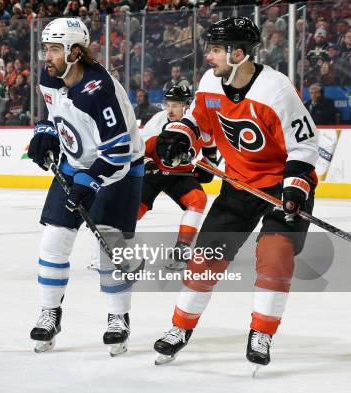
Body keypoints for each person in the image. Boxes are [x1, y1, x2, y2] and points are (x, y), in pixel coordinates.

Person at [151, 17, 319, 371]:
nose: (208, 57)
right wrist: (182, 135)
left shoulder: (276, 91)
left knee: (274, 258)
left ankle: (262, 333)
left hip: (282, 186)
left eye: (215, 50)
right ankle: (179, 328)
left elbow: (304, 146)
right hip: (239, 184)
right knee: (204, 259)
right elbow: (197, 120)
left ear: (238, 54)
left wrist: (295, 186)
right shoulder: (210, 82)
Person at [27, 18, 144, 356]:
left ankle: (117, 318)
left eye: (53, 49)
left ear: (75, 52)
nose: (46, 56)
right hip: (74, 162)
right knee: (54, 239)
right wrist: (44, 129)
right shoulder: (52, 74)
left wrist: (90, 183)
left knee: (108, 247)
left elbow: (118, 153)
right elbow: (53, 110)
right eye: (45, 48)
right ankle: (50, 313)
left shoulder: (99, 91)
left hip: (118, 170)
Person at [138, 85, 216, 271]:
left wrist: (208, 168)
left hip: (180, 175)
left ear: (187, 106)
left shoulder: (199, 126)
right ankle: (116, 245)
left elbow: (210, 155)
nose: (170, 110)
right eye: (168, 105)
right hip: (155, 172)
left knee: (198, 199)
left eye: (176, 105)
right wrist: (148, 164)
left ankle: (182, 249)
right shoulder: (157, 123)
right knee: (137, 211)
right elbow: (139, 151)